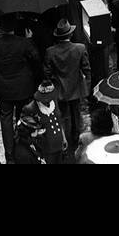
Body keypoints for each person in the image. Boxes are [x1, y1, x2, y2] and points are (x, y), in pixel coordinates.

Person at [0, 21, 42, 161]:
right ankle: (23, 148)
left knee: (5, 120)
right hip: (23, 87)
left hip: (4, 89)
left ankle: (9, 154)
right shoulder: (24, 43)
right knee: (22, 117)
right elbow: (36, 59)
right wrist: (30, 41)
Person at [45, 19, 90, 159]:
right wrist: (87, 86)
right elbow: (86, 69)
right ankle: (77, 138)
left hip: (60, 89)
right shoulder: (80, 48)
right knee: (76, 113)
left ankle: (64, 141)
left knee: (63, 115)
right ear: (70, 35)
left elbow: (47, 73)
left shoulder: (50, 52)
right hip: (76, 87)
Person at [16, 81, 68, 164]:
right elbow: (26, 132)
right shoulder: (30, 108)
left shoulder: (54, 101)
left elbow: (59, 120)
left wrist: (63, 137)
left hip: (58, 143)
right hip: (45, 148)